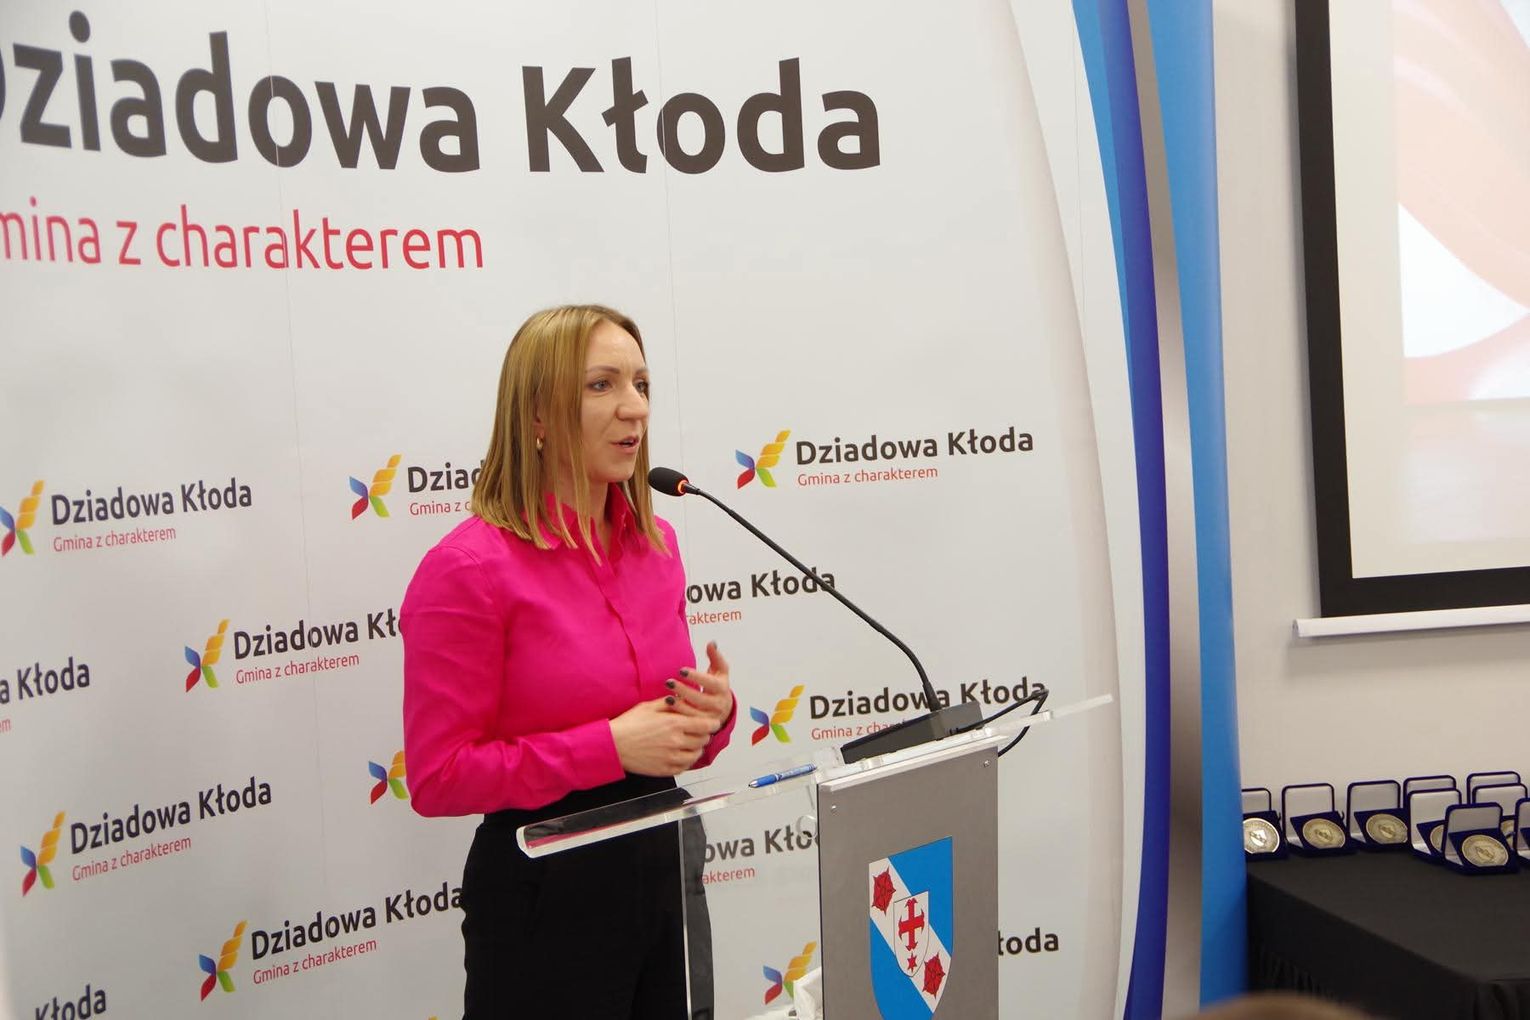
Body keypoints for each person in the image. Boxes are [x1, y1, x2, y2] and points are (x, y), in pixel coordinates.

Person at [400, 304, 737, 1019]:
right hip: (546, 893)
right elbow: (437, 776)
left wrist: (712, 716)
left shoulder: (658, 545)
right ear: (536, 416)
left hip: (666, 865)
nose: (634, 408)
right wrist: (609, 747)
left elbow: (667, 729)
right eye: (601, 385)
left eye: (641, 384)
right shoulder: (467, 569)